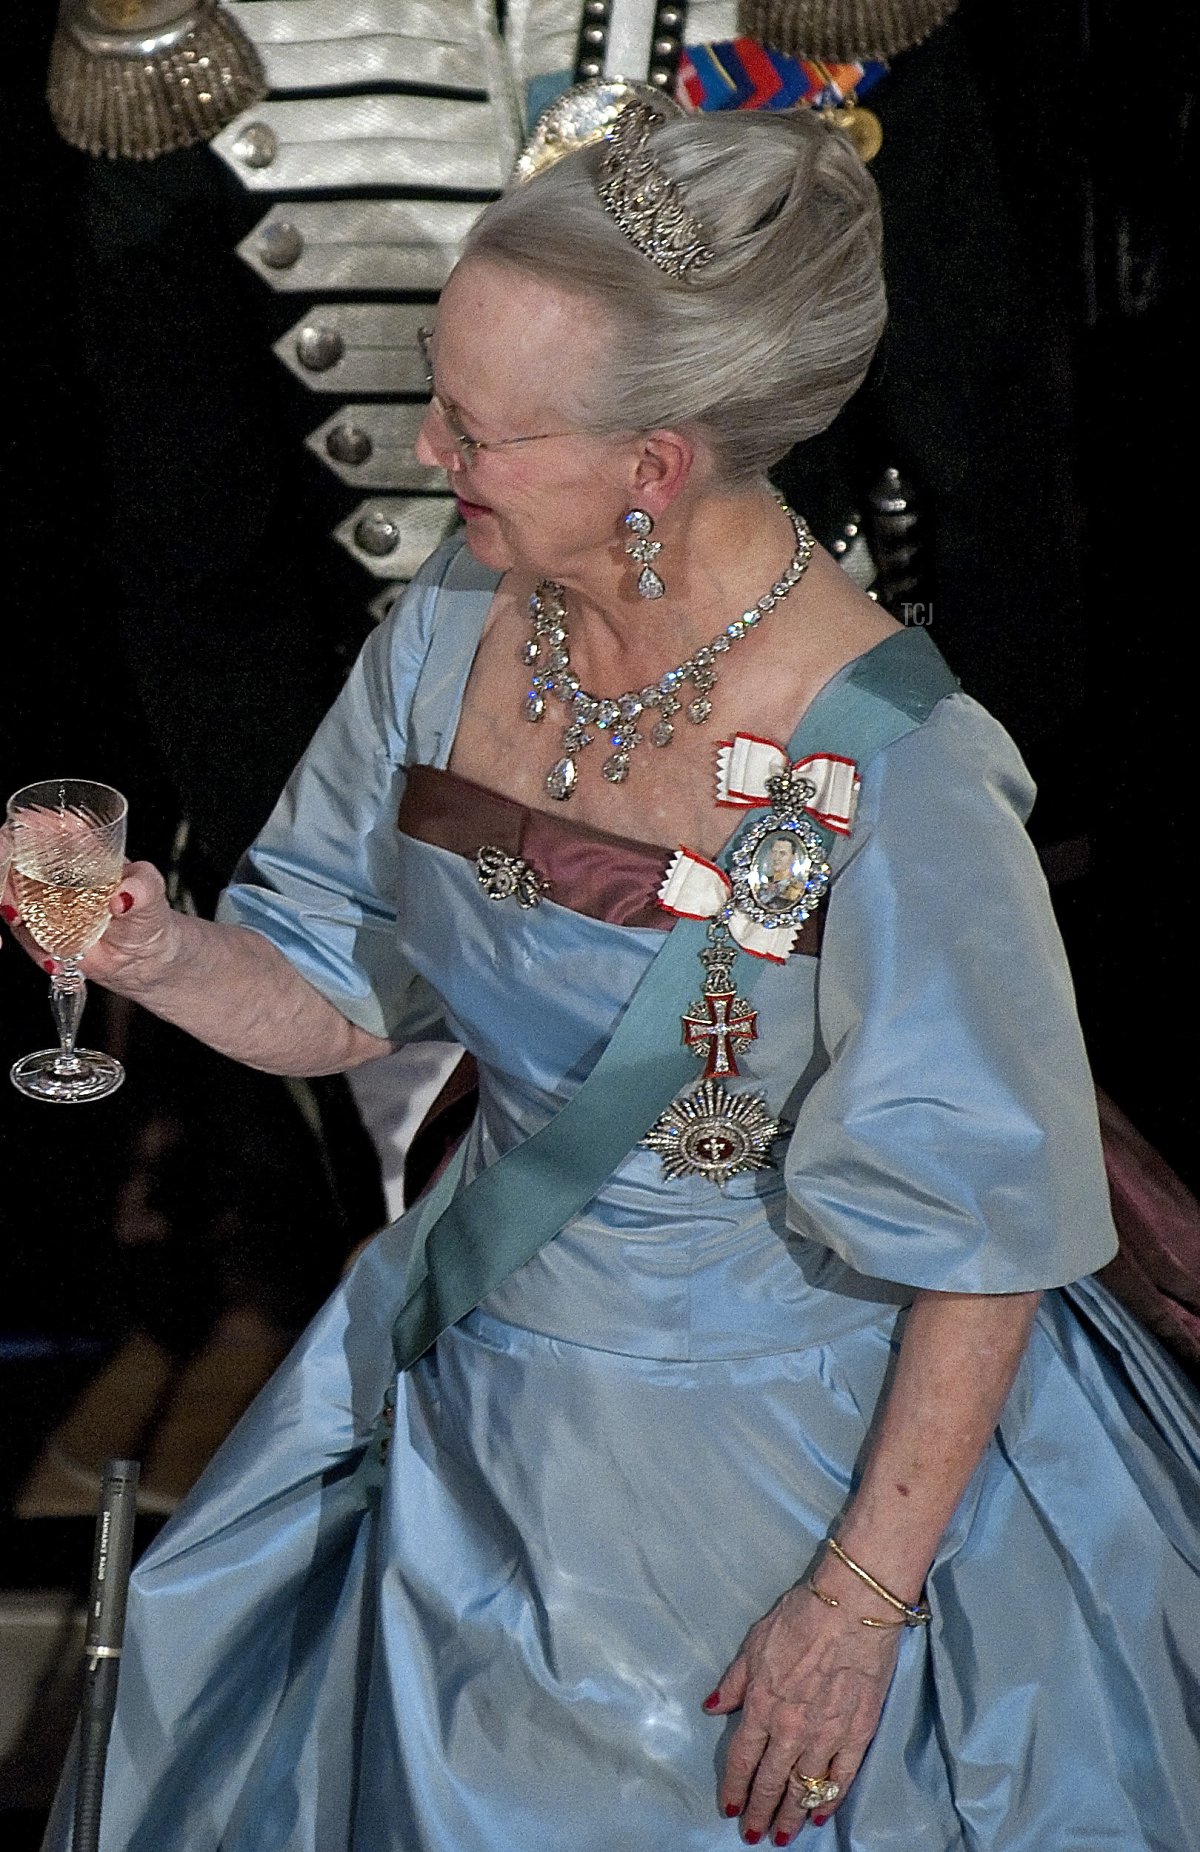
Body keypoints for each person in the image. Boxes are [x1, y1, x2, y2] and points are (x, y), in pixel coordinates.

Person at [18, 95, 1198, 1852]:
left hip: (802, 1449)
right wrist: (145, 939)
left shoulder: (901, 761)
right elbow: (338, 994)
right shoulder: (446, 635)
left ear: (650, 468)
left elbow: (992, 1232)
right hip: (480, 1394)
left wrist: (853, 1613)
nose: (435, 453)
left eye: (483, 431)